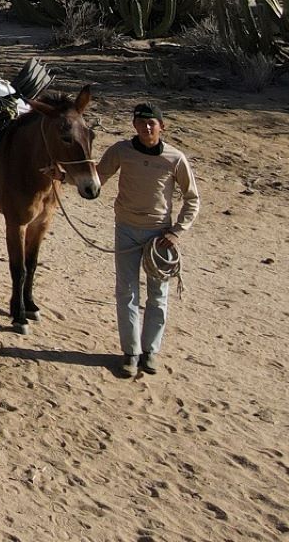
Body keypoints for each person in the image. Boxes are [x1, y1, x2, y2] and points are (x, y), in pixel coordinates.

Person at [96, 102, 199, 377]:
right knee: (126, 292)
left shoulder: (175, 158)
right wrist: (62, 176)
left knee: (158, 294)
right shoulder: (121, 151)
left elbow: (192, 199)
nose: (147, 127)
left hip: (159, 236)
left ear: (162, 126)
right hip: (126, 229)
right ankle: (131, 353)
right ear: (134, 126)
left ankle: (150, 351)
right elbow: (97, 178)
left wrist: (176, 231)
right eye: (141, 122)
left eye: (152, 122)